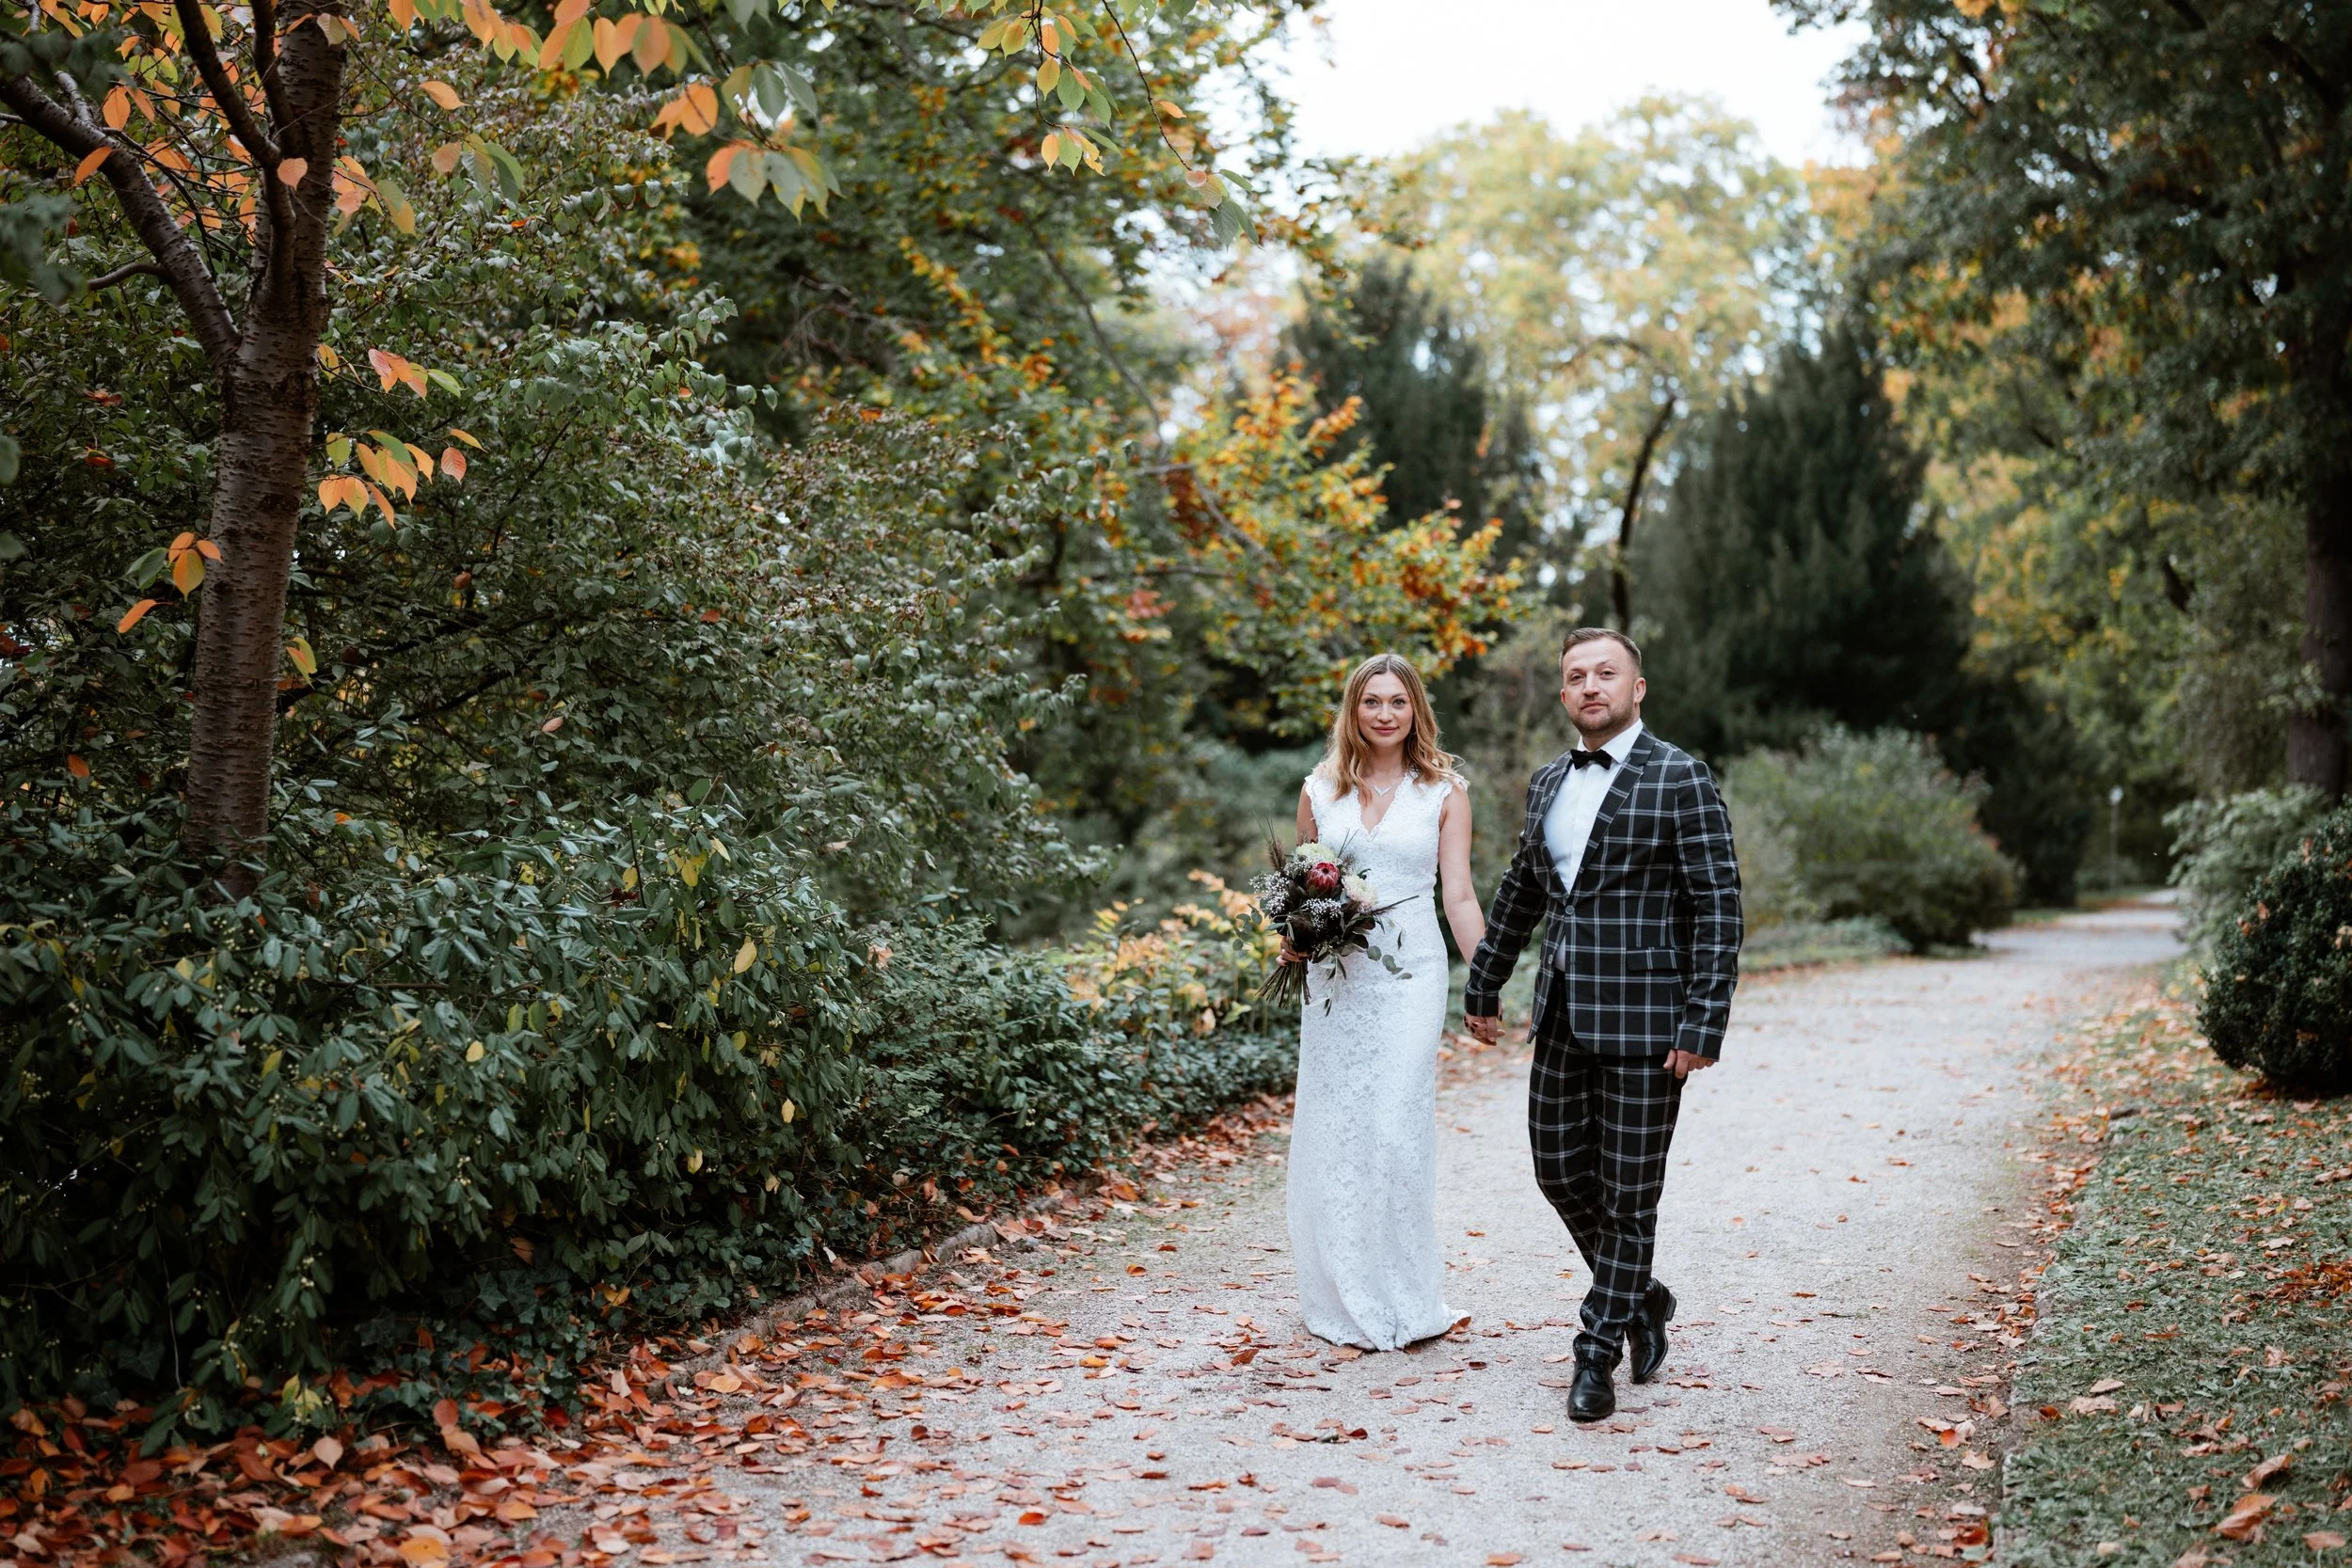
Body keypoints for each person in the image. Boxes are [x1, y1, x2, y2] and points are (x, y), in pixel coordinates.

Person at [1462, 627, 1740, 1421]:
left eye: (1606, 673)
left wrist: (1703, 1019)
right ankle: (1643, 1293)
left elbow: (1718, 905)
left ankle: (1597, 1350)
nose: (1592, 685)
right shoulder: (1549, 781)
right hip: (1562, 1011)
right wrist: (1485, 979)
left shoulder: (1681, 776)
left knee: (1629, 1195)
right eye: (1578, 676)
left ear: (1636, 687)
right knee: (1557, 1170)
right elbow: (1523, 887)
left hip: (1651, 1020)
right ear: (1563, 694)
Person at [1285, 652, 1489, 1350]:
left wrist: (1485, 977)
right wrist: (1294, 937)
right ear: (1354, 710)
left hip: (1412, 979)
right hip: (1336, 983)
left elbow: (1458, 895)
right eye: (1371, 701)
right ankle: (1344, 1289)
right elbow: (1303, 889)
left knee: (1396, 1131)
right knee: (1340, 1129)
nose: (1384, 713)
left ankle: (1406, 1293)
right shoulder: (1320, 790)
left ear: (1415, 710)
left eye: (1397, 701)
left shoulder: (1444, 793)